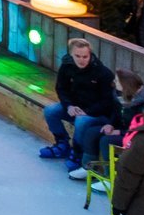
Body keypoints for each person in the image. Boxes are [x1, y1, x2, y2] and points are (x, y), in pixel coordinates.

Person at [38, 37, 119, 172]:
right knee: (50, 111)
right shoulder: (67, 66)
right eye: (78, 56)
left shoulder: (102, 73)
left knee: (81, 121)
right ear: (71, 55)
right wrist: (69, 106)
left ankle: (77, 152)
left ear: (90, 55)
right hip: (75, 107)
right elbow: (61, 88)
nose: (82, 60)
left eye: (85, 56)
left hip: (98, 113)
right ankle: (62, 143)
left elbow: (108, 101)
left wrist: (87, 111)